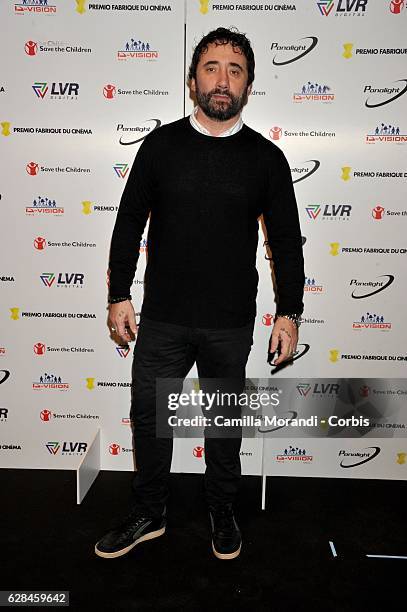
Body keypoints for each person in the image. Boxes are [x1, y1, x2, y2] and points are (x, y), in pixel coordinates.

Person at [95, 27, 304, 561]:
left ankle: (222, 510)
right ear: (193, 80)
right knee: (149, 416)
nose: (222, 79)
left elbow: (284, 241)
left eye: (235, 71)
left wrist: (290, 313)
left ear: (248, 86)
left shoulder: (267, 158)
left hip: (230, 322)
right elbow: (128, 223)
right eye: (212, 67)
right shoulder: (161, 145)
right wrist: (119, 293)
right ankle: (150, 512)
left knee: (224, 427)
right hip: (163, 317)